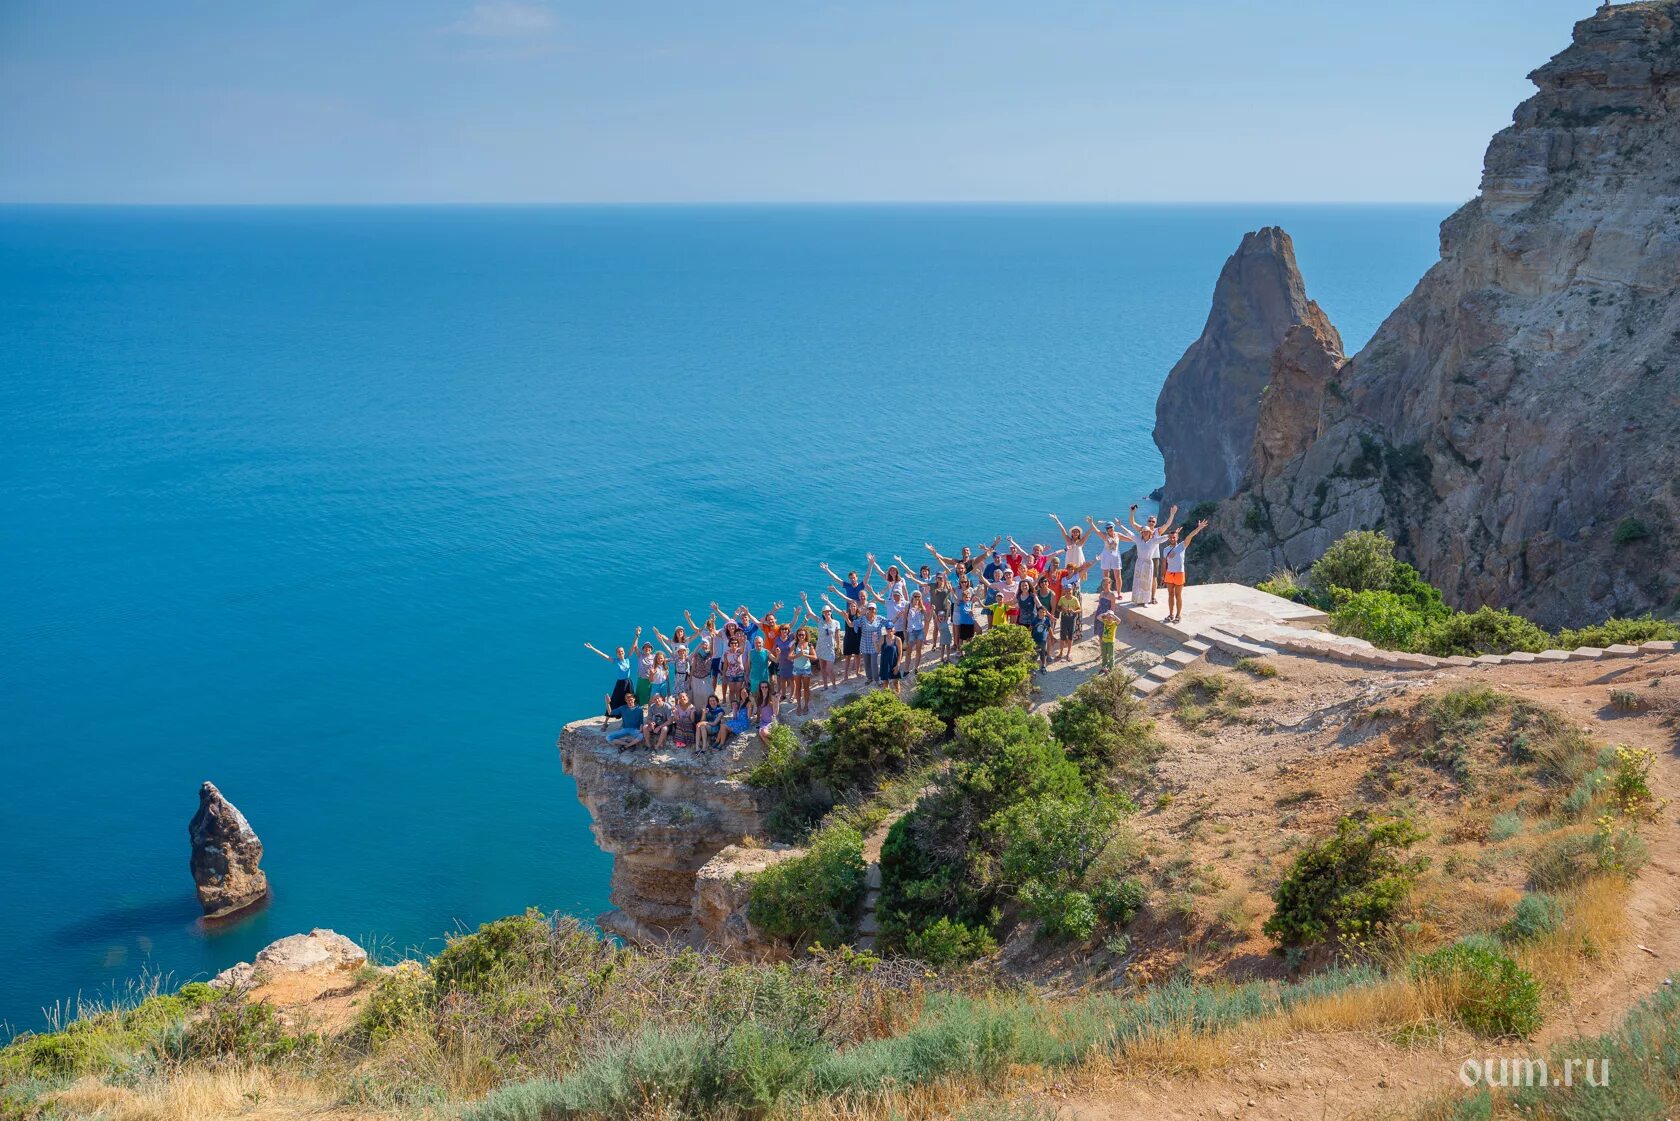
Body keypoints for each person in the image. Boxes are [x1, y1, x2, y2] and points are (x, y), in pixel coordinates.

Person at [1160, 519, 1210, 624]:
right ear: (1168, 538)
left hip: (1179, 573)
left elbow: (1190, 536)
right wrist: (1162, 576)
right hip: (1169, 574)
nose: (1172, 539)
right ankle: (1170, 614)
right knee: (1170, 594)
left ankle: (1178, 615)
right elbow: (1164, 564)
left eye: (1174, 537)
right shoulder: (1165, 550)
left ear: (1177, 537)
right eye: (1171, 537)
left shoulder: (1182, 545)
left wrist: (1199, 528)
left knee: (1178, 595)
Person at [1128, 503, 1178, 606]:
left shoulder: (1157, 531)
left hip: (1154, 557)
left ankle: (1152, 597)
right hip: (1144, 558)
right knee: (1141, 578)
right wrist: (1132, 512)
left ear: (1155, 523)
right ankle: (1140, 597)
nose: (1151, 523)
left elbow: (1167, 524)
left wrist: (1172, 514)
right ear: (1147, 522)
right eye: (1149, 521)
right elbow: (1132, 523)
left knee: (1153, 578)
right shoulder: (1144, 529)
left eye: (1153, 521)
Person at [583, 636, 636, 717]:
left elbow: (633, 647)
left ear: (624, 652)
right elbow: (604, 656)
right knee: (615, 699)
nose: (620, 653)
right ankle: (606, 720)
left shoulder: (627, 659)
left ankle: (628, 716)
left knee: (630, 699)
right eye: (619, 652)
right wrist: (592, 648)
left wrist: (636, 635)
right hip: (620, 683)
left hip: (628, 683)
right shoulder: (616, 661)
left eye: (622, 651)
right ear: (617, 654)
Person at [1055, 580, 1082, 661]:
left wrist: (1074, 611)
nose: (1068, 592)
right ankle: (1061, 652)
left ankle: (1069, 653)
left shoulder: (1075, 599)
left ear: (1072, 590)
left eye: (1069, 590)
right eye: (1067, 590)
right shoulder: (1062, 598)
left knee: (1070, 636)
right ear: (1065, 591)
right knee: (1062, 636)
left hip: (1072, 620)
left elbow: (1080, 609)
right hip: (1064, 619)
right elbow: (1058, 608)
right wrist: (1062, 609)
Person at [790, 630, 815, 715]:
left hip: (806, 669)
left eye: (803, 635)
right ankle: (798, 705)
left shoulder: (809, 645)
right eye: (799, 635)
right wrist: (798, 655)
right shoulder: (795, 645)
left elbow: (815, 657)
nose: (801, 636)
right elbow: (789, 657)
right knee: (798, 688)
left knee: (806, 688)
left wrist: (805, 655)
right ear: (797, 636)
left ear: (805, 635)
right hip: (797, 669)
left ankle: (806, 705)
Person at [877, 624, 902, 694]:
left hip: (894, 663)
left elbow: (900, 654)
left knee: (896, 682)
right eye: (887, 629)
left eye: (890, 629)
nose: (889, 631)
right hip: (884, 664)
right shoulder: (882, 638)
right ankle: (887, 699)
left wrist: (898, 665)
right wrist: (874, 641)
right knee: (885, 683)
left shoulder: (898, 640)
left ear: (893, 629)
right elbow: (877, 650)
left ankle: (897, 698)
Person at [752, 680, 778, 745]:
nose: (764, 688)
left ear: (768, 688)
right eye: (762, 687)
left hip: (771, 721)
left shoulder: (772, 697)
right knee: (761, 733)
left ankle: (778, 739)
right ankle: (773, 749)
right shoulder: (759, 698)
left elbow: (776, 711)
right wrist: (757, 719)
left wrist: (777, 702)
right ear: (760, 688)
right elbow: (758, 711)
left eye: (766, 687)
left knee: (763, 732)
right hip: (763, 721)